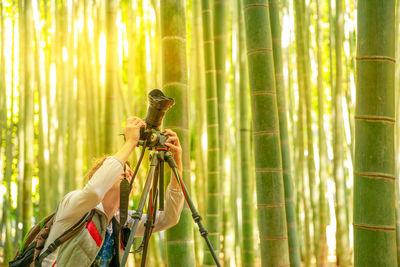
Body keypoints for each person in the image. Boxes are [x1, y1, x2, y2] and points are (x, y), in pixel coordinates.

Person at [40, 117, 185, 266]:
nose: (128, 172)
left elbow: (169, 217)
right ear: (101, 175)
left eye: (129, 171)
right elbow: (94, 192)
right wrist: (130, 143)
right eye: (121, 168)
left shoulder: (122, 222)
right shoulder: (75, 205)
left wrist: (177, 165)